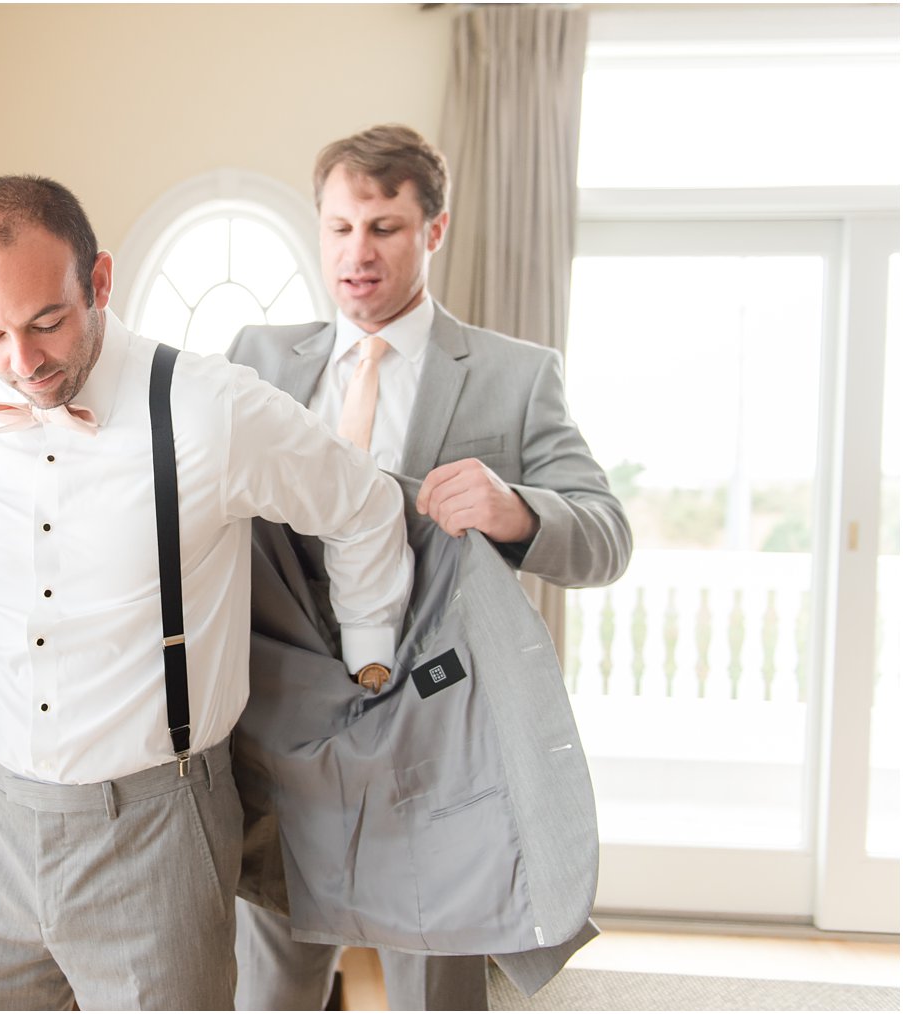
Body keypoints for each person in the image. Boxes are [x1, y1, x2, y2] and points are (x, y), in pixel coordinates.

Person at [0, 175, 414, 1010]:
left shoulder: (210, 410)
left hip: (156, 829)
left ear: (99, 284)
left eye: (46, 323)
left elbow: (364, 505)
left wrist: (369, 659)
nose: (20, 364)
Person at [229, 124, 632, 1011]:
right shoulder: (253, 362)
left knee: (437, 992)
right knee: (269, 987)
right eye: (338, 228)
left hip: (440, 736)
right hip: (283, 727)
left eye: (383, 228)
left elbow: (608, 536)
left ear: (434, 232)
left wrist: (518, 510)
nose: (356, 254)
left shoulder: (515, 377)